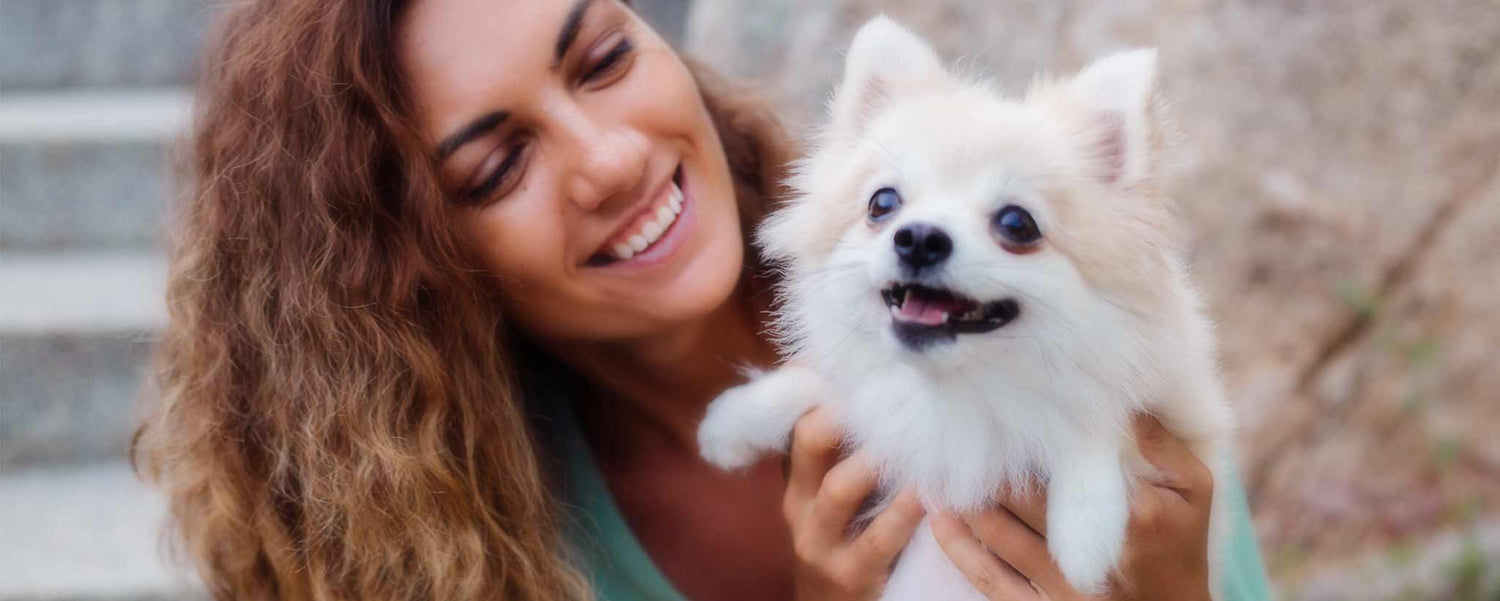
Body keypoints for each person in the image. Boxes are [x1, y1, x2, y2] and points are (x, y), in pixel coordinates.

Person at [133, 0, 1273, 600]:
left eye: (600, 59)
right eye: (498, 165)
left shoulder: (1071, 367)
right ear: (405, 268)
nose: (610, 160)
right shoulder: (459, 545)